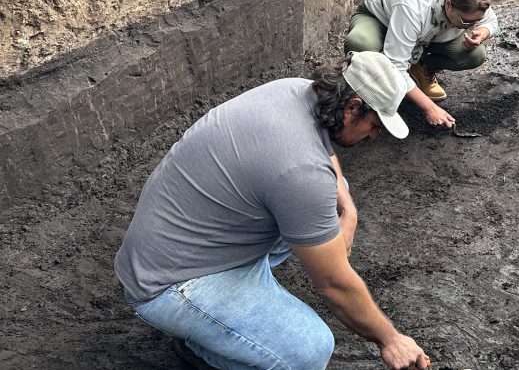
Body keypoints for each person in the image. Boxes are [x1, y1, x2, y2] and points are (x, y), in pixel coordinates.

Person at [114, 52, 430, 370]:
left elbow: (322, 157)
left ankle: (219, 322)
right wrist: (390, 339)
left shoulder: (298, 91)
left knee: (331, 194)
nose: (375, 135)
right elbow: (334, 284)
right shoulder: (301, 172)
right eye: (375, 125)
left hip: (180, 238)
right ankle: (203, 349)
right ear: (352, 108)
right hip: (168, 282)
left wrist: (349, 211)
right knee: (309, 351)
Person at [344, 0, 498, 129]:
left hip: (425, 35)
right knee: (361, 44)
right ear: (448, 4)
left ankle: (421, 67)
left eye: (475, 21)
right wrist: (430, 108)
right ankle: (368, 91)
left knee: (475, 55)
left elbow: (491, 22)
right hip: (380, 18)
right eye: (466, 22)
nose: (470, 26)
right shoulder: (413, 6)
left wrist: (482, 32)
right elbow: (395, 66)